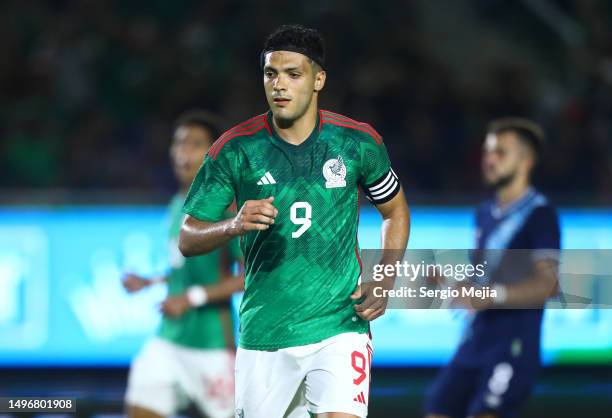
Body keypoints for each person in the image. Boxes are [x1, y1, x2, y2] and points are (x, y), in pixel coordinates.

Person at [179, 25, 410, 418]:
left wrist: (385, 276)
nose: (279, 85)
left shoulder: (357, 143)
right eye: (271, 74)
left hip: (340, 326)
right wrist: (233, 224)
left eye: (293, 74)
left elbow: (395, 211)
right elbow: (188, 237)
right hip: (264, 335)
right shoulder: (235, 149)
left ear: (319, 79)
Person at [425, 117, 561, 418]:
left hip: (511, 344)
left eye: (500, 152)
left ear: (526, 160)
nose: (490, 160)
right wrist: (450, 283)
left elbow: (548, 285)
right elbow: (483, 280)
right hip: (474, 340)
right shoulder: (484, 213)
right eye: (488, 152)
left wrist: (493, 295)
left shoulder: (539, 215)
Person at [123, 111, 243, 418]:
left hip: (212, 345)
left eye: (194, 144)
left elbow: (247, 277)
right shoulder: (179, 203)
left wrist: (191, 299)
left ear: (213, 154)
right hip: (169, 340)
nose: (182, 152)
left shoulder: (227, 210)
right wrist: (151, 282)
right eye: (178, 143)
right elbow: (184, 268)